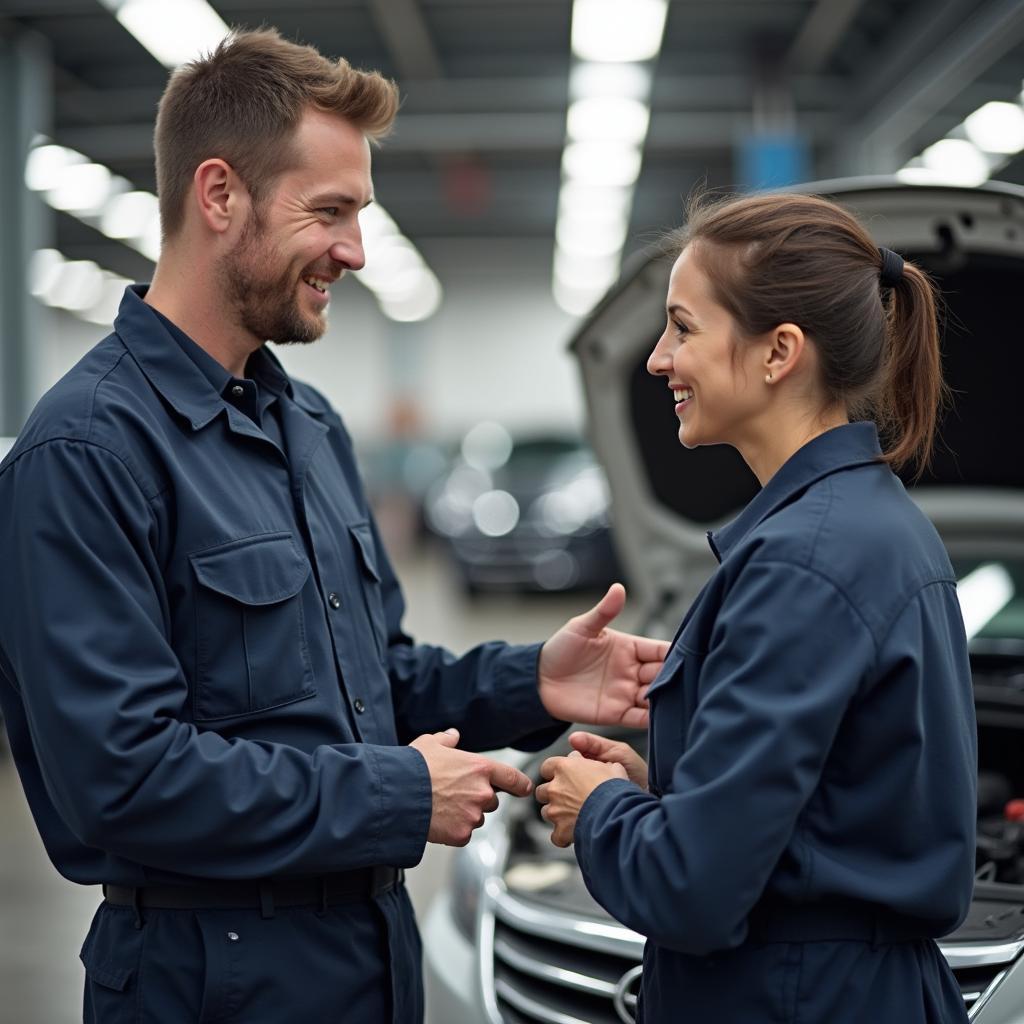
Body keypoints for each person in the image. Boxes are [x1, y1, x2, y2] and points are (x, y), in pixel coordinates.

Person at [0, 29, 668, 1024]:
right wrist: (399, 795)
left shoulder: (306, 427)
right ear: (218, 195)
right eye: (331, 213)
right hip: (209, 976)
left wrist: (528, 682)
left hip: (366, 959)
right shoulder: (87, 452)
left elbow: (372, 686)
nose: (356, 250)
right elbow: (123, 779)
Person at [536, 191, 977, 1023]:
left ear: (779, 353)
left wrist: (602, 811)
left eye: (683, 327)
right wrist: (661, 798)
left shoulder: (805, 562)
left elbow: (692, 890)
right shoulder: (866, 527)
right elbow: (824, 815)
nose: (658, 359)